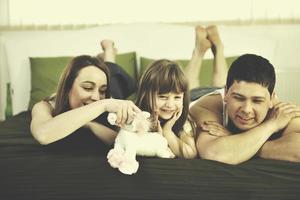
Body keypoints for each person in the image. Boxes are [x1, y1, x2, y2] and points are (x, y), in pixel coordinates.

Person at [135, 25, 228, 159]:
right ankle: (199, 51)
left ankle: (217, 50)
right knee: (189, 87)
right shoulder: (137, 116)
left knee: (219, 87)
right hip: (191, 96)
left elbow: (190, 154)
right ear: (145, 94)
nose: (170, 105)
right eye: (162, 96)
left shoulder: (183, 121)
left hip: (202, 98)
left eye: (177, 97)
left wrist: (167, 131)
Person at [190, 54, 300, 164]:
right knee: (188, 85)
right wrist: (272, 125)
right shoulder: (205, 106)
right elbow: (213, 153)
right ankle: (201, 52)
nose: (247, 110)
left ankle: (218, 49)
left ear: (271, 99)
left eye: (257, 101)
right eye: (239, 98)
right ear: (226, 94)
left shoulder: (281, 113)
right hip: (197, 95)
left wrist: (234, 138)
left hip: (227, 90)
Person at [30, 40, 141, 146]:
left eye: (102, 90)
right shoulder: (45, 105)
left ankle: (109, 51)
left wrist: (89, 124)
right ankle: (108, 52)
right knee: (108, 70)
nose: (96, 97)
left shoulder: (107, 99)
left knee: (112, 74)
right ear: (68, 87)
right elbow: (43, 135)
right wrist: (102, 105)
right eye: (87, 88)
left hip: (113, 91)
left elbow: (120, 140)